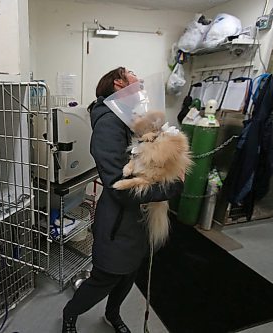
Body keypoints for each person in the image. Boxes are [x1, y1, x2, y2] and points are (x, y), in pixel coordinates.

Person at [62, 67, 184, 333]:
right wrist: (167, 189)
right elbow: (119, 186)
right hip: (118, 221)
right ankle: (70, 314)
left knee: (129, 275)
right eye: (132, 75)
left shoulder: (131, 118)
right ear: (118, 83)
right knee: (105, 277)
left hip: (139, 217)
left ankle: (112, 314)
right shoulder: (109, 122)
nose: (139, 79)